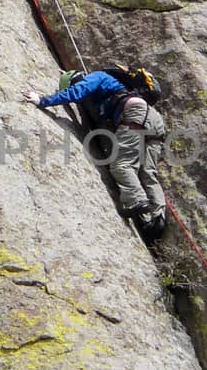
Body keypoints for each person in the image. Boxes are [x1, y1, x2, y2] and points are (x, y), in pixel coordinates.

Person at [23, 65, 167, 244]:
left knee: (121, 165)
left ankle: (137, 203)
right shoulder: (110, 89)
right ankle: (157, 218)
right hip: (155, 121)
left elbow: (76, 92)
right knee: (147, 172)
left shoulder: (96, 77)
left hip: (134, 114)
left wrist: (42, 101)